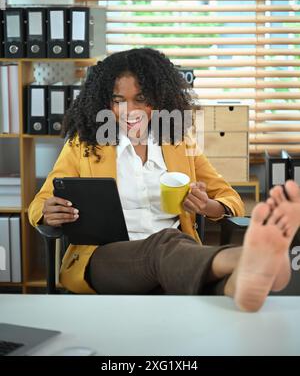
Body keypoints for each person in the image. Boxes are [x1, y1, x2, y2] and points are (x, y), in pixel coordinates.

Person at [28, 47, 299, 311]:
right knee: (165, 246)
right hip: (105, 257)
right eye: (118, 100)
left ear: (158, 99)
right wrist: (48, 211)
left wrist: (206, 206)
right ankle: (244, 258)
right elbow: (39, 203)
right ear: (104, 101)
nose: (128, 111)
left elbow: (230, 199)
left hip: (176, 256)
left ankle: (238, 284)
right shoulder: (84, 146)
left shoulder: (178, 142)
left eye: (141, 99)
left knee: (185, 264)